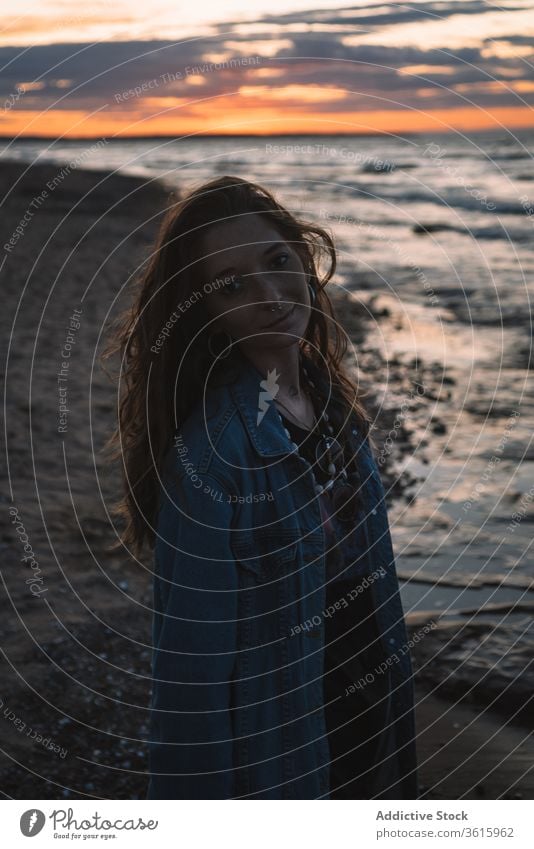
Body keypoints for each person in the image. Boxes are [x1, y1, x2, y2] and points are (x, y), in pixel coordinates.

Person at [105, 175, 418, 799]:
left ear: (304, 261)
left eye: (278, 263)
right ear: (206, 314)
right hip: (286, 742)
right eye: (232, 285)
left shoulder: (335, 408)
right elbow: (189, 679)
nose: (271, 294)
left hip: (374, 713)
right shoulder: (215, 455)